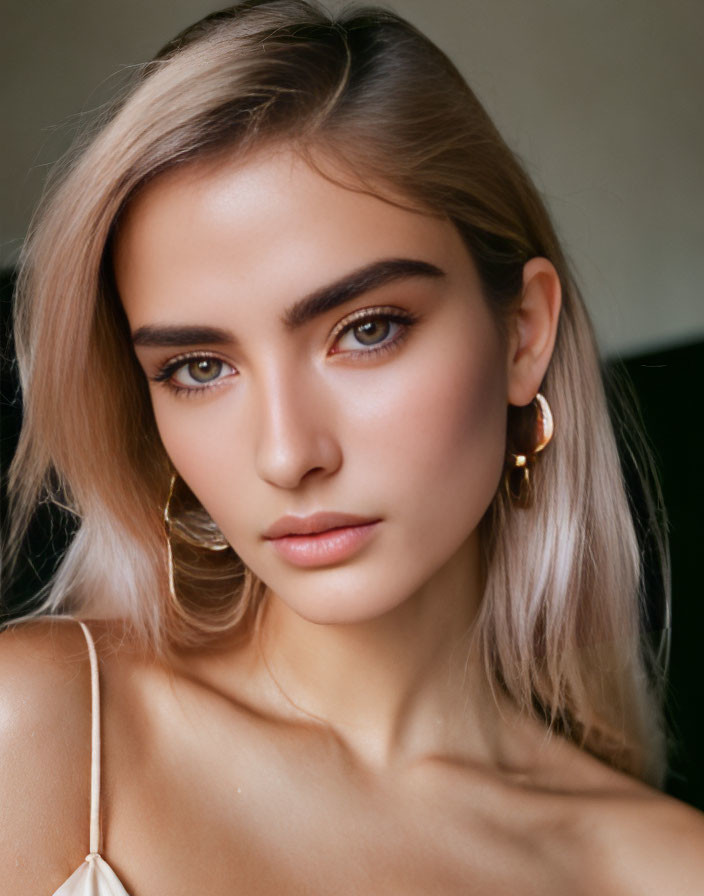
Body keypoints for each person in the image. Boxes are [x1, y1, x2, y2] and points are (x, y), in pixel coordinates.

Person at [2, 1, 703, 893]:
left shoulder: (664, 871)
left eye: (366, 329)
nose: (288, 454)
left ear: (524, 333)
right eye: (198, 366)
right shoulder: (46, 735)